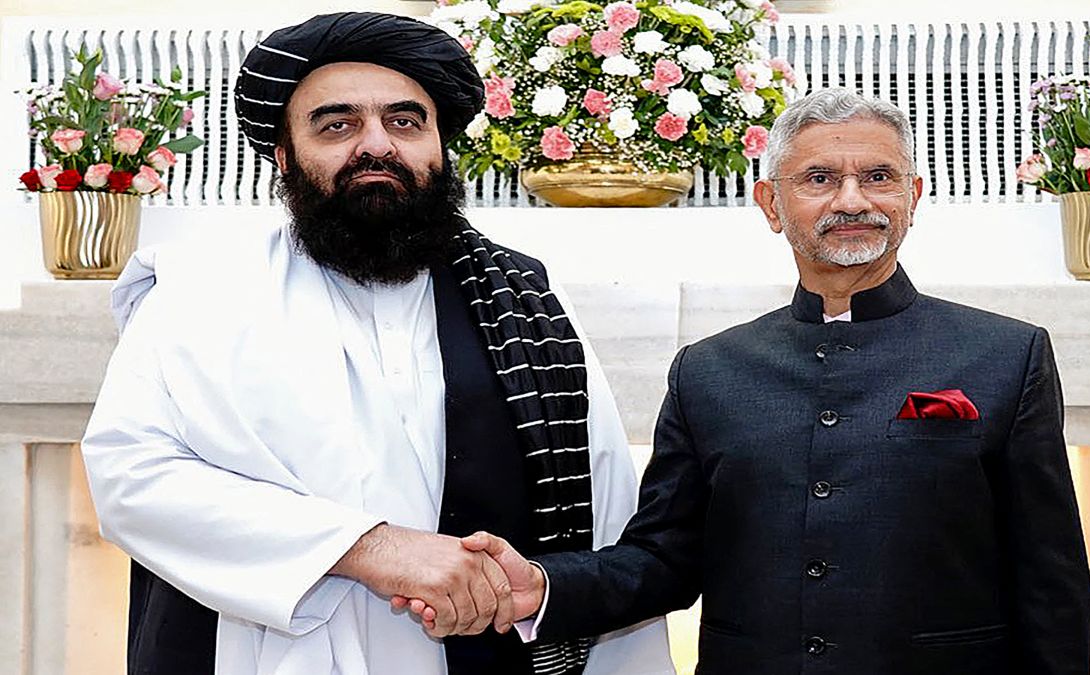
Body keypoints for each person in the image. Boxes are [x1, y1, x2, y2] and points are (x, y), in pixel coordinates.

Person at [81, 12, 671, 675]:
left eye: (404, 121)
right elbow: (130, 473)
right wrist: (370, 547)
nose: (376, 145)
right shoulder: (201, 292)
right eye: (337, 125)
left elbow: (606, 509)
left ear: (440, 148)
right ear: (284, 157)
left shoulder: (526, 301)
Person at [449, 88, 1090, 674]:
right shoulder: (709, 371)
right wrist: (541, 584)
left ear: (912, 198)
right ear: (772, 204)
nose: (852, 200)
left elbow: (1051, 579)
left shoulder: (1007, 355)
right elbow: (664, 560)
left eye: (878, 178)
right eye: (819, 178)